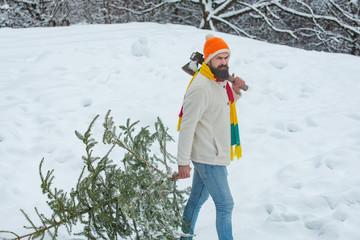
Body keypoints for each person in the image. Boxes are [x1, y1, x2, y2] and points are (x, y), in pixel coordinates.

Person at [176, 34, 246, 240]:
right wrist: (183, 163)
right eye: (219, 58)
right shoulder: (201, 87)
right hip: (209, 156)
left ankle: (184, 237)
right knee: (225, 204)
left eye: (226, 58)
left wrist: (235, 91)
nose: (224, 63)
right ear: (208, 60)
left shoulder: (217, 80)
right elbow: (187, 127)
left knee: (196, 200)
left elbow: (220, 107)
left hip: (214, 152)